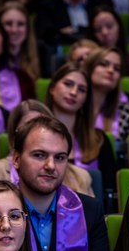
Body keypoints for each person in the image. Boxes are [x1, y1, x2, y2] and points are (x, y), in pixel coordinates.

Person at [13, 115, 109, 251]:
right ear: (16, 159)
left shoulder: (90, 210)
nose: (51, 166)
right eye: (39, 155)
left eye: (59, 158)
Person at [0, 99, 95, 197]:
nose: (50, 166)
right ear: (14, 134)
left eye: (44, 126)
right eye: (28, 127)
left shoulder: (81, 177)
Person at [46, 62, 117, 192]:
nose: (74, 92)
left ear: (86, 99)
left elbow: (109, 192)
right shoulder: (34, 134)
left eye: (82, 90)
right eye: (68, 84)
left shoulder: (99, 140)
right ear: (52, 88)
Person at [85, 47, 129, 141]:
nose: (111, 71)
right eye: (103, 64)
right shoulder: (74, 108)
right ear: (90, 68)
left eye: (117, 69)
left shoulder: (127, 113)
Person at [88, 6, 129, 84]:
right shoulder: (88, 63)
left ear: (119, 28)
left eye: (109, 26)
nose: (104, 32)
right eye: (98, 29)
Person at [0, 1, 40, 81]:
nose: (14, 30)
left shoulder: (42, 57)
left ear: (28, 29)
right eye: (8, 24)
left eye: (20, 24)